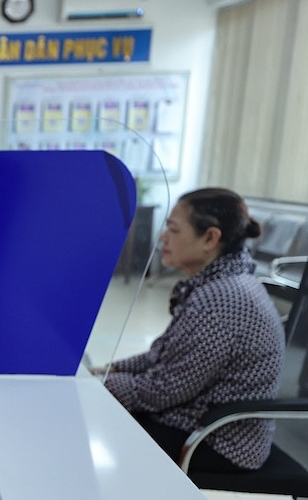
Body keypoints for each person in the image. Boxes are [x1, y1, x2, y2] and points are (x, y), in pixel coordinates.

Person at [101, 187, 284, 472]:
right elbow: (161, 356)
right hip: (196, 417)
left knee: (97, 423)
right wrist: (110, 369)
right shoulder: (221, 282)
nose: (163, 238)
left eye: (173, 230)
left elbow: (164, 390)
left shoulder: (222, 298)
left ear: (210, 238)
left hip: (218, 439)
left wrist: (102, 384)